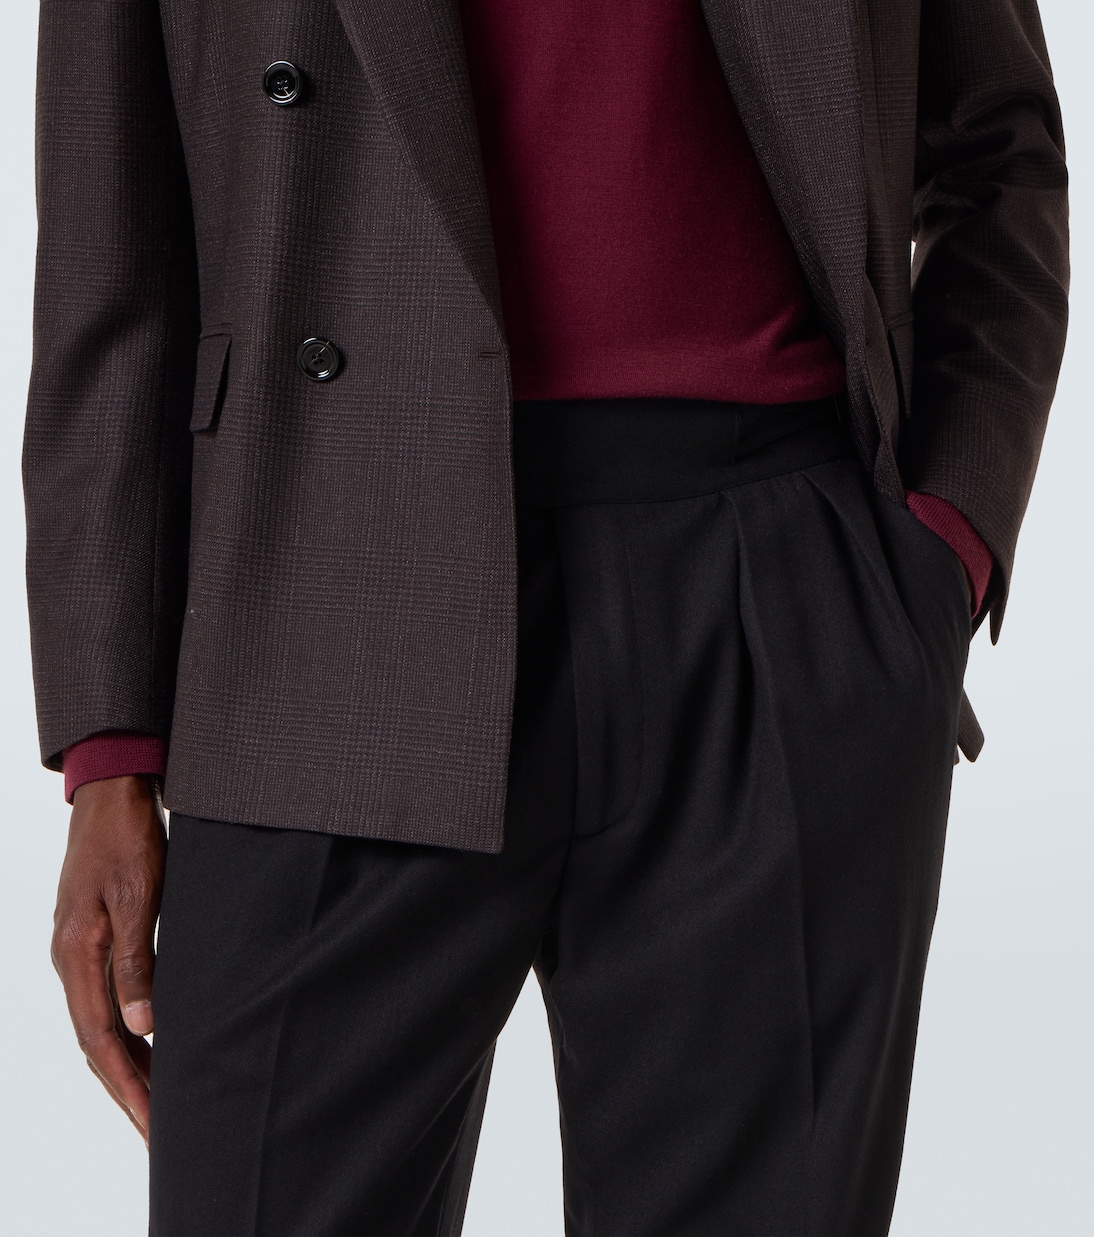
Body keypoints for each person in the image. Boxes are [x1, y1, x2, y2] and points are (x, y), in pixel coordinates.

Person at [24, 0, 1067, 1233]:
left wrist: (940, 545)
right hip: (316, 584)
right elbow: (107, 249)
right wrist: (108, 744)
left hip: (772, 593)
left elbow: (995, 144)